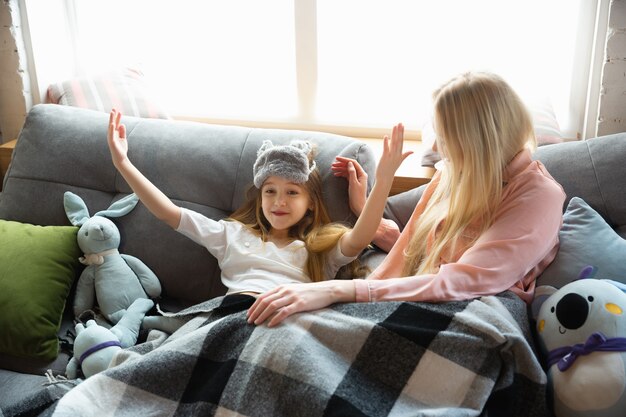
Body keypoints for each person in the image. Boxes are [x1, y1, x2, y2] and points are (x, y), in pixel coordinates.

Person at [247, 71, 567, 327]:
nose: (439, 149)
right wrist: (348, 311)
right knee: (282, 326)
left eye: (446, 138)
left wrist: (336, 291)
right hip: (421, 298)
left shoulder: (538, 197)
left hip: (479, 313)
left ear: (478, 139)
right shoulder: (453, 173)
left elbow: (465, 280)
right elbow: (407, 251)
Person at [106, 109, 412, 301]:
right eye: (270, 191)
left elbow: (360, 236)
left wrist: (383, 180)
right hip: (233, 315)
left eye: (292, 193)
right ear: (260, 196)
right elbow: (168, 213)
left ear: (309, 204)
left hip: (286, 319)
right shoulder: (230, 236)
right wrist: (123, 163)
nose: (279, 201)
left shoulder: (318, 249)